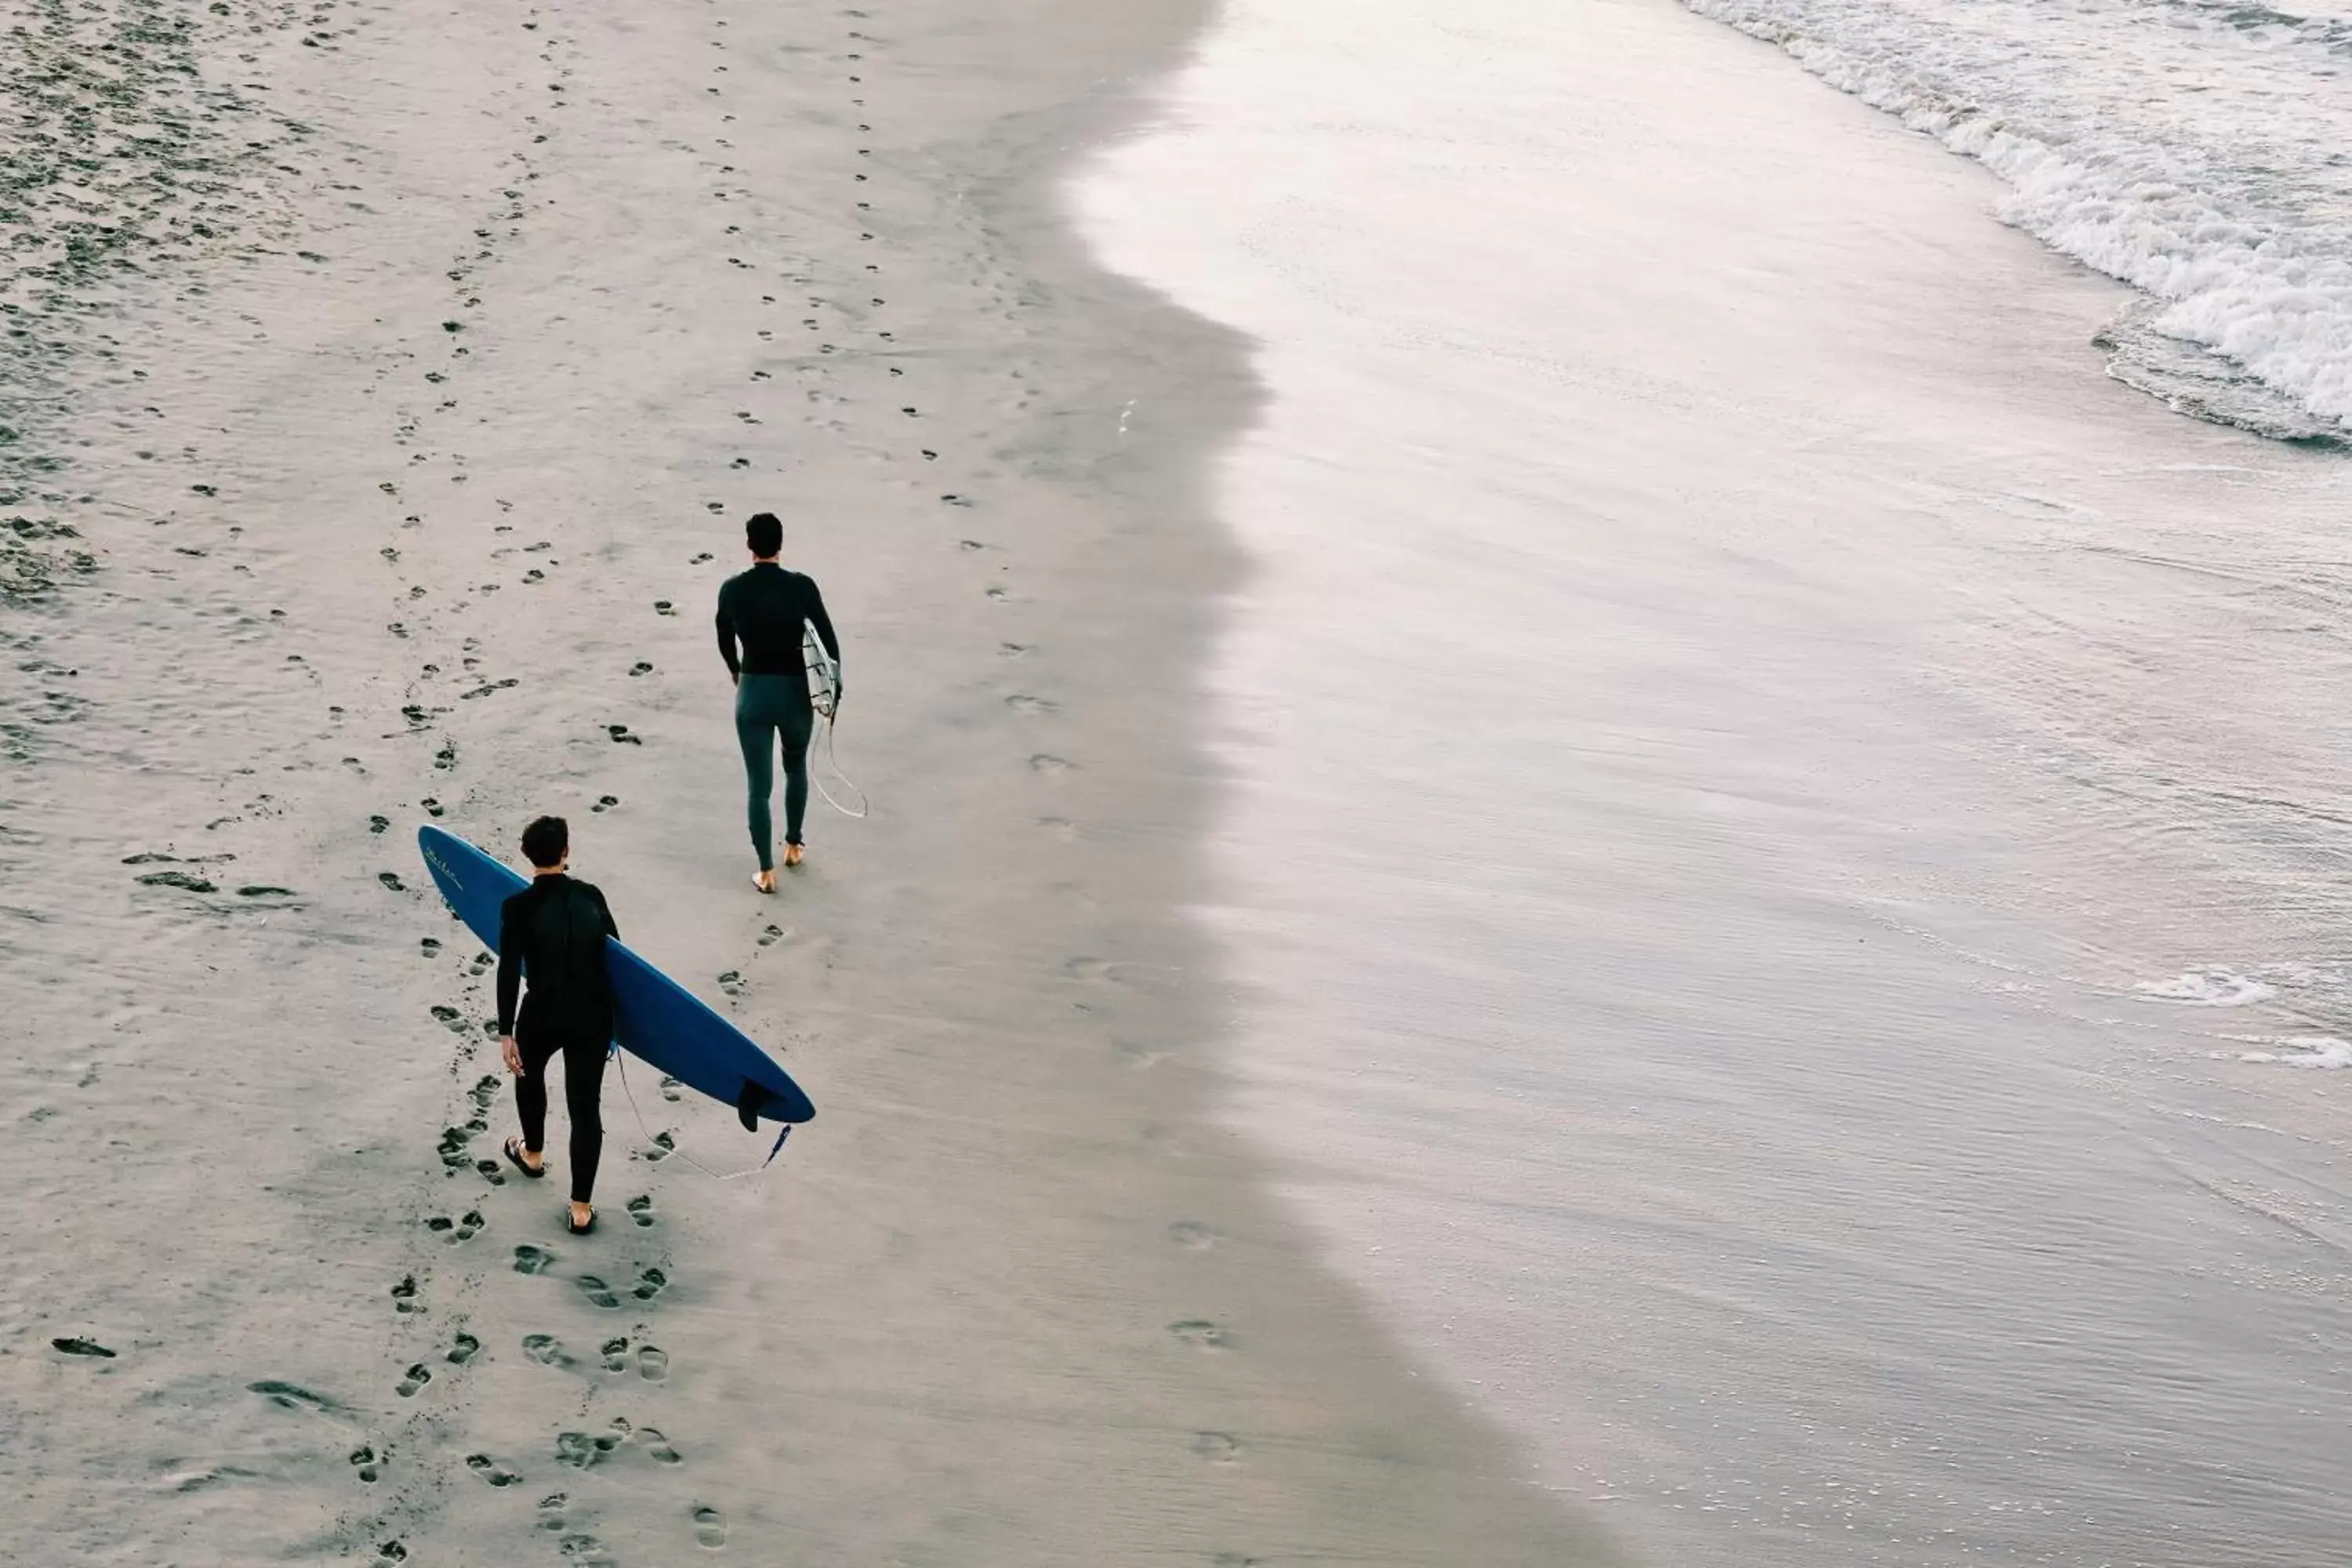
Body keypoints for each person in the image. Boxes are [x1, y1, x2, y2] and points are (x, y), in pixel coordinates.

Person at [496, 815, 619, 1234]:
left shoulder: (517, 907)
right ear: (566, 852)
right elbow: (619, 963)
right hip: (591, 1015)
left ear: (527, 854)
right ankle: (581, 1208)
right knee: (585, 1109)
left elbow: (509, 971)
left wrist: (505, 1031)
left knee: (527, 1074)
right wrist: (618, 1027)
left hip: (542, 1011)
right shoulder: (592, 897)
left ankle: (532, 1155)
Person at [715, 510, 840, 893]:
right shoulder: (802, 587)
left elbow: (723, 636)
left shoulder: (732, 589)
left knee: (758, 787)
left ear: (749, 545)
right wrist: (835, 691)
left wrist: (736, 671)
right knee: (796, 768)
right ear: (780, 544)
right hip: (794, 693)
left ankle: (766, 872)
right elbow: (829, 644)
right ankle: (793, 846)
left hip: (753, 693)